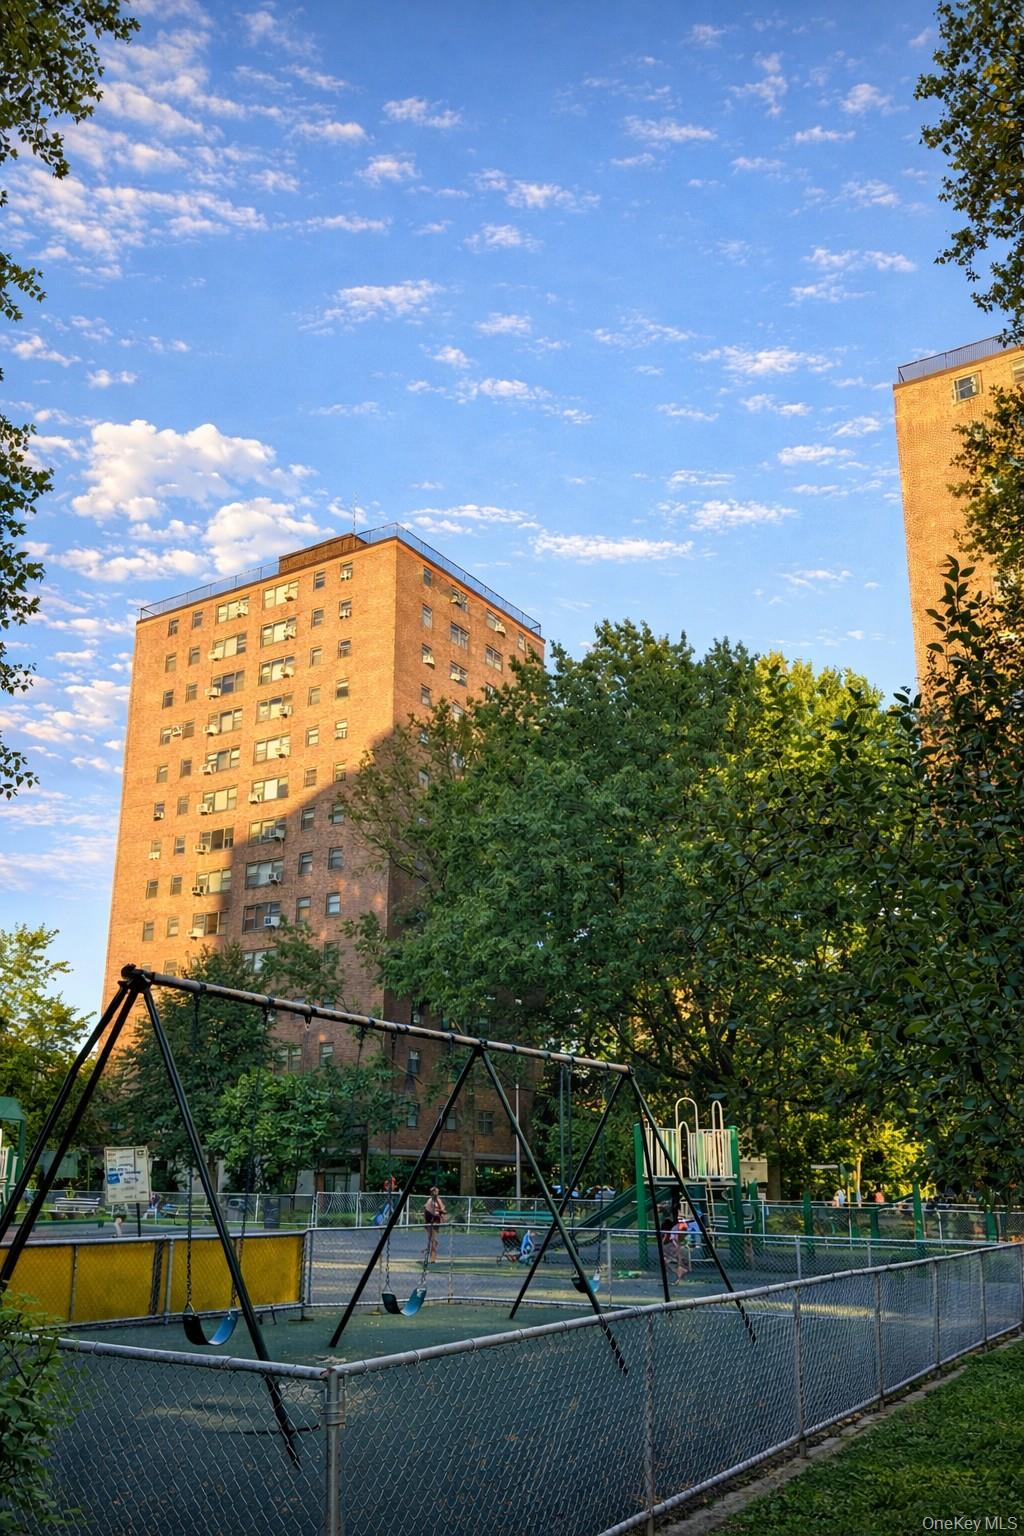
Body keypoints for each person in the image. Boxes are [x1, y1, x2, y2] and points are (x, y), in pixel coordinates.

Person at [423, 1186, 446, 1261]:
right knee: (430, 1238)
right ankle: (433, 1246)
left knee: (432, 1238)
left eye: (435, 1191)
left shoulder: (438, 1200)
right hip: (428, 1220)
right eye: (433, 1191)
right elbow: (426, 1211)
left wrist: (440, 1212)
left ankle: (433, 1256)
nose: (434, 1193)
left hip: (435, 1220)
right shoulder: (429, 1200)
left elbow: (443, 1210)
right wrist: (425, 1222)